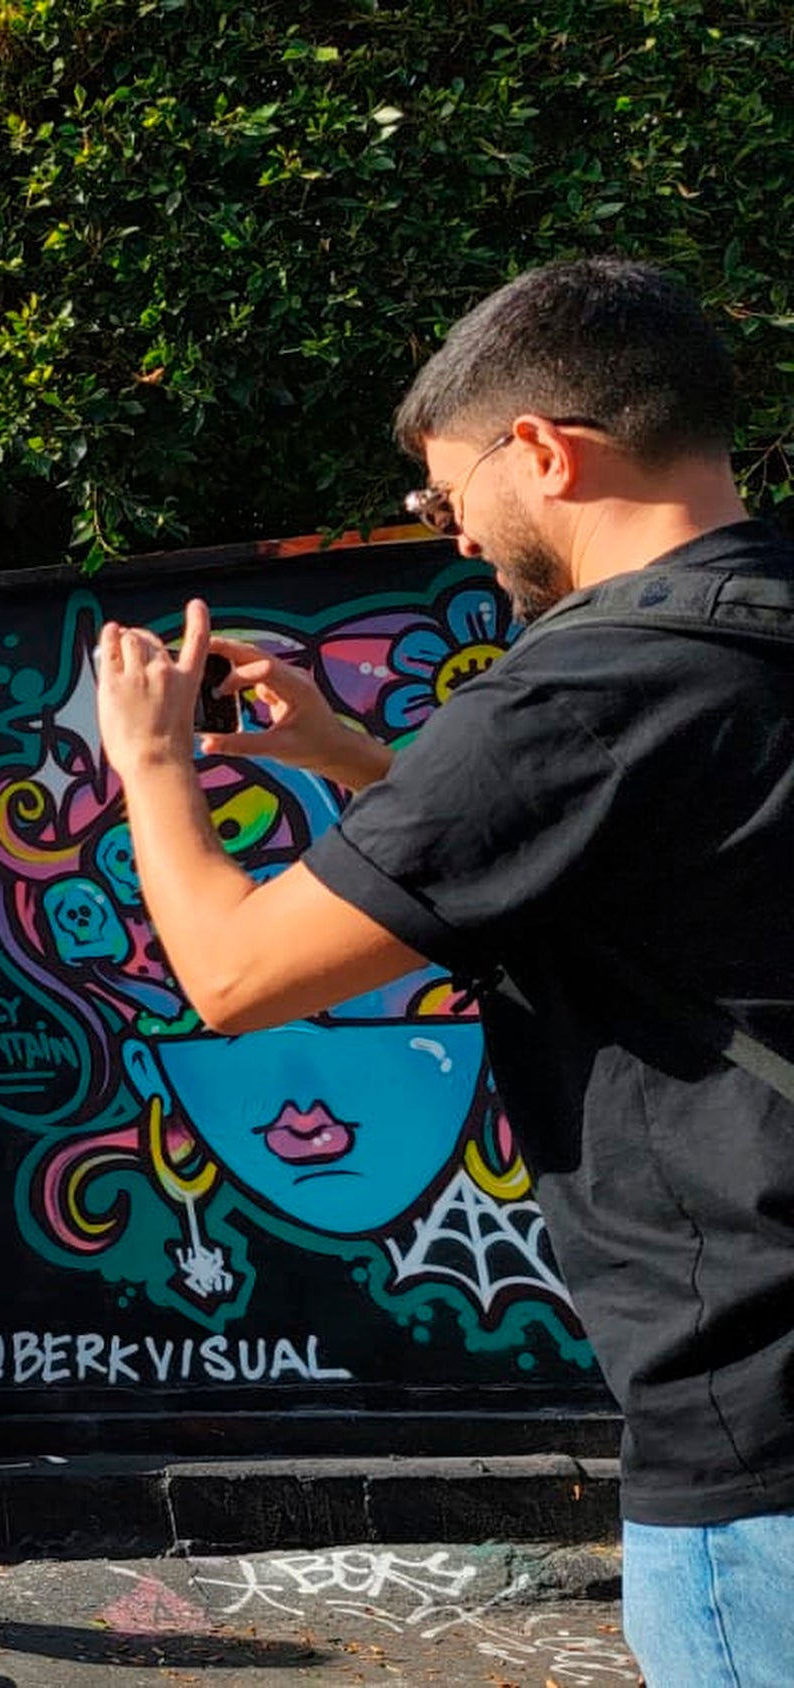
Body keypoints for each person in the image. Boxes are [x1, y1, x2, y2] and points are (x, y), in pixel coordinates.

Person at [92, 255, 794, 1685]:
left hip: (759, 1440)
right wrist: (355, 760)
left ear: (543, 450)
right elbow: (621, 863)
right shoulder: (747, 634)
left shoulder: (583, 690)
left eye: (446, 490)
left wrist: (154, 765)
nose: (454, 530)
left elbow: (233, 975)